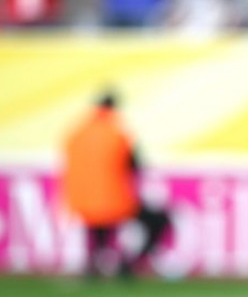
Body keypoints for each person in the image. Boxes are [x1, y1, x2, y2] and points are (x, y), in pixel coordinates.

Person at [62, 90, 169, 278]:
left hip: (83, 203)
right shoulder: (117, 132)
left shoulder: (76, 133)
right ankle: (127, 265)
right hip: (114, 201)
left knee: (98, 234)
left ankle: (95, 267)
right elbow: (135, 164)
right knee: (158, 221)